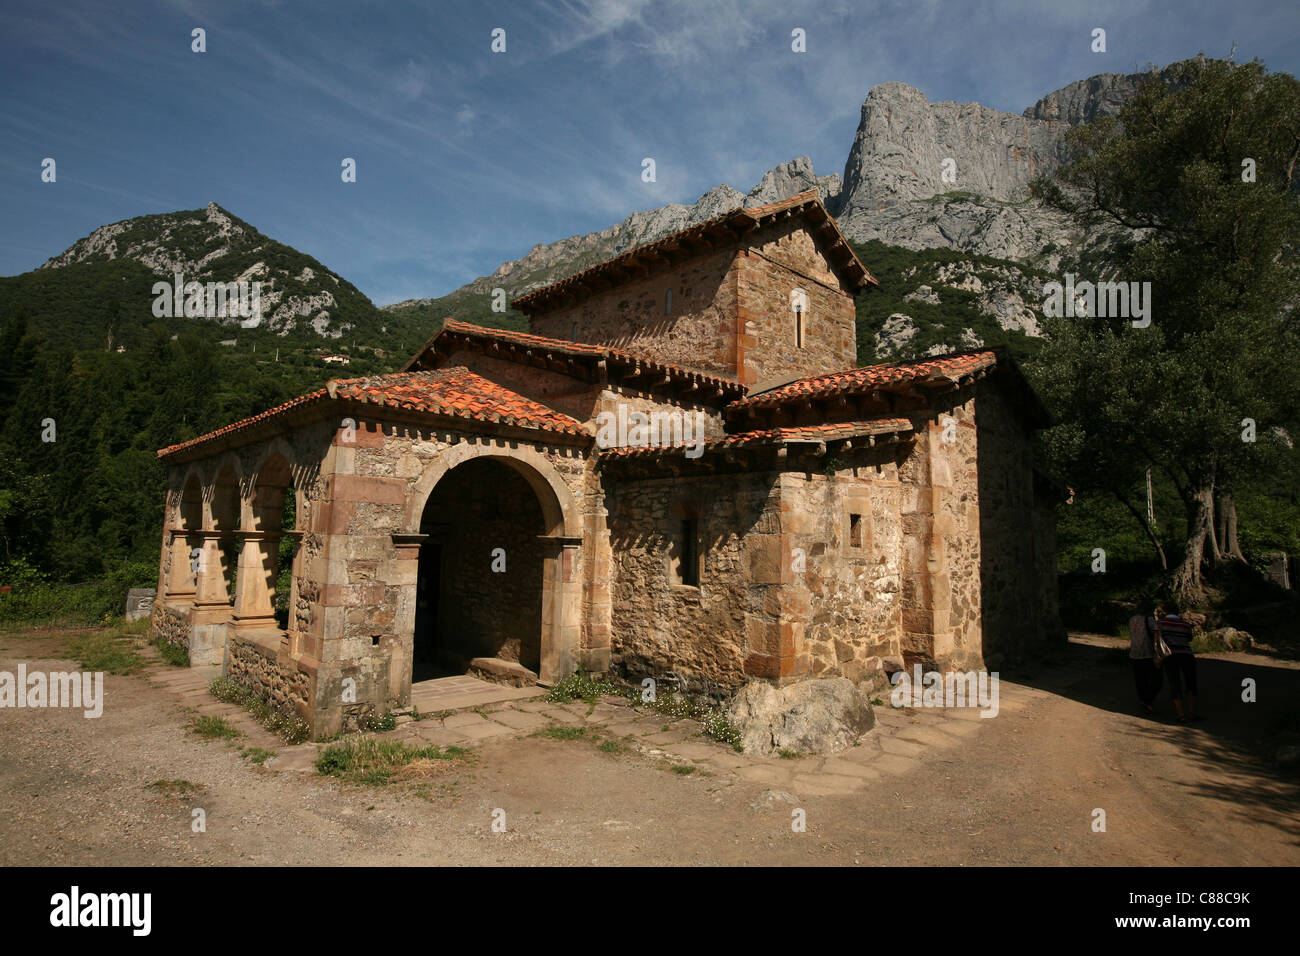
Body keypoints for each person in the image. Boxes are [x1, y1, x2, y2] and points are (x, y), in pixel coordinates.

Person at [1156, 606, 1200, 722]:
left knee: (1174, 682)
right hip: (1186, 654)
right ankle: (1193, 712)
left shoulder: (1161, 623)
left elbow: (1158, 640)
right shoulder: (1185, 624)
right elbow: (1189, 638)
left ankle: (1181, 714)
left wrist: (1158, 658)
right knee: (1191, 682)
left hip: (1171, 655)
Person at [1127, 601, 1162, 713]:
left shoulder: (1132, 619)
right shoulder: (1150, 620)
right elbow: (1157, 633)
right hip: (1148, 652)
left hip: (1135, 652)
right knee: (1155, 679)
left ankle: (1143, 699)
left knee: (1140, 679)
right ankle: (1149, 700)